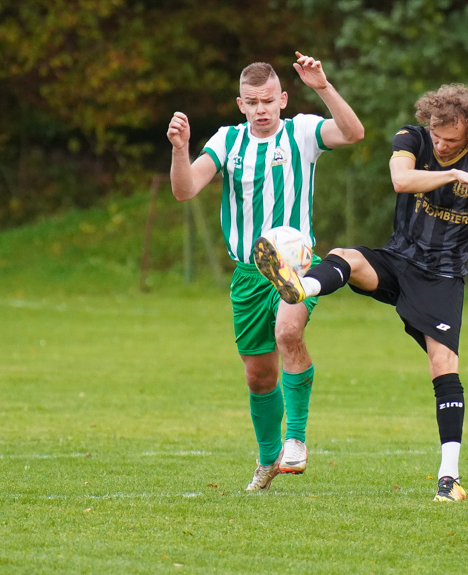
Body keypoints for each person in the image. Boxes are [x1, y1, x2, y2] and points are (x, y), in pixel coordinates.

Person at [254, 83, 468, 501]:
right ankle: (302, 285)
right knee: (346, 256)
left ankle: (449, 476)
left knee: (444, 363)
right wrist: (453, 173)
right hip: (398, 259)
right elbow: (401, 180)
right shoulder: (411, 138)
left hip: (441, 277)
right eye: (436, 135)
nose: (440, 144)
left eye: (451, 141)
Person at [166, 52, 364, 491]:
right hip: (248, 274)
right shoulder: (226, 142)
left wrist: (324, 87)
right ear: (241, 105)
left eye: (268, 101)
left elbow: (353, 132)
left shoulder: (304, 132)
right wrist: (181, 150)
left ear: (283, 99)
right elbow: (185, 190)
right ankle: (268, 457)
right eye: (252, 102)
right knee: (259, 375)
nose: (260, 110)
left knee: (288, 333)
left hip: (294, 263)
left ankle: (296, 440)